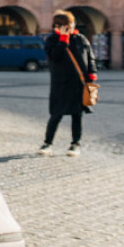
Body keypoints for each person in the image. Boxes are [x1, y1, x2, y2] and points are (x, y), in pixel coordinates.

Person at [38, 10, 97, 158]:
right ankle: (47, 143)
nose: (70, 27)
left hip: (79, 83)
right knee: (56, 114)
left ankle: (75, 143)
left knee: (77, 115)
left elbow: (90, 57)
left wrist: (92, 73)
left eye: (71, 24)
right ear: (58, 26)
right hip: (60, 83)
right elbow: (54, 57)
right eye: (67, 25)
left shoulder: (81, 38)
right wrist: (63, 40)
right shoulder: (52, 40)